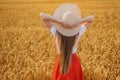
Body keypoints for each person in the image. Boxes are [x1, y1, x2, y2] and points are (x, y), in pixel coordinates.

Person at [40, 3, 94, 80]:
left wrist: (59, 21)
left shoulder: (56, 32)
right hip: (74, 62)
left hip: (61, 62)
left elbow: (42, 16)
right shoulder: (77, 33)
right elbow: (91, 19)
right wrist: (79, 21)